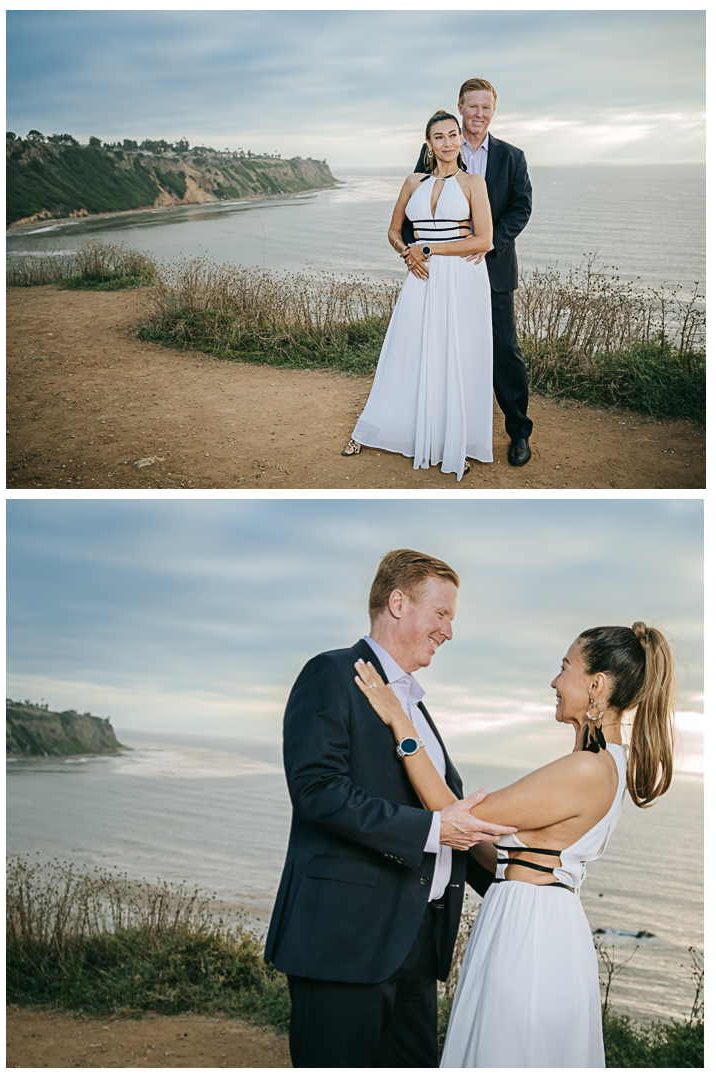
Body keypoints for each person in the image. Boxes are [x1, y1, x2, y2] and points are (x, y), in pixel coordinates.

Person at [355, 621, 675, 1067]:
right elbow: (500, 851)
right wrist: (467, 835)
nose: (555, 681)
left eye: (565, 667)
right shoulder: (608, 764)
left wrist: (399, 721)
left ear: (596, 684)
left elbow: (457, 817)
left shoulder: (586, 769)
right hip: (537, 915)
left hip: (531, 931)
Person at [264, 549, 514, 1068]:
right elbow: (317, 791)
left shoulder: (415, 707)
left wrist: (521, 883)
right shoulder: (330, 673)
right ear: (398, 603)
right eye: (441, 614)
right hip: (345, 940)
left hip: (419, 947)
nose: (448, 631)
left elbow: (446, 810)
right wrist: (433, 830)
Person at [341, 110, 494, 481]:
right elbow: (395, 230)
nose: (447, 142)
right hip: (420, 276)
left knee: (454, 354)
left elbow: (484, 239)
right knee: (406, 349)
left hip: (460, 276)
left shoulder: (474, 182)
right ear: (428, 143)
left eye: (453, 135)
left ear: (460, 139)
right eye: (439, 137)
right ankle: (381, 426)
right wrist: (406, 253)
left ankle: (452, 439)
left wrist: (428, 249)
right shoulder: (412, 182)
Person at [407, 78, 534, 467]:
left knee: (504, 352)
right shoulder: (434, 151)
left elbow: (521, 209)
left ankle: (518, 434)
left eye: (486, 107)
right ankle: (446, 430)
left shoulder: (512, 157)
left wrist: (488, 243)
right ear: (460, 109)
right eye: (472, 107)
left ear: (493, 111)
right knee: (443, 346)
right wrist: (413, 250)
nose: (479, 114)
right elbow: (417, 202)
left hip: (491, 271)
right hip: (441, 274)